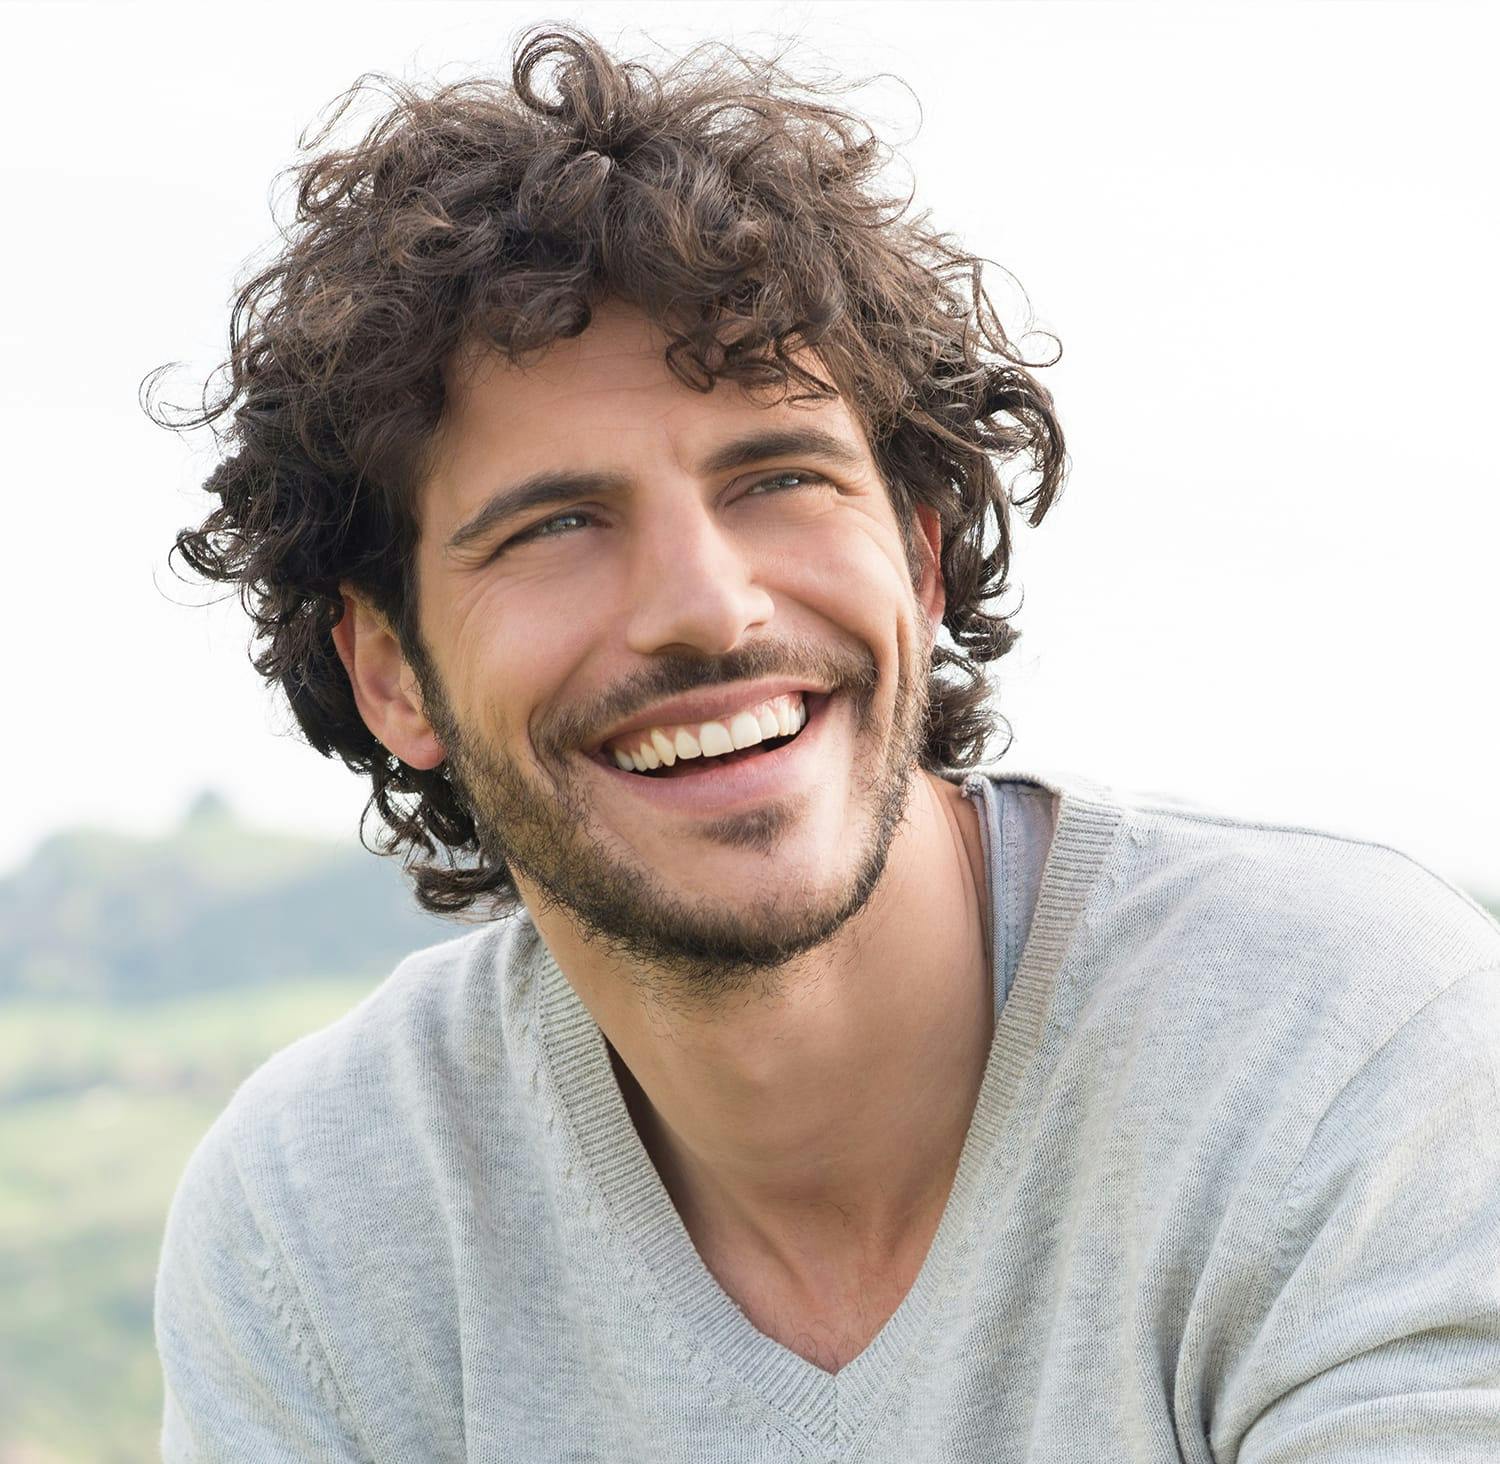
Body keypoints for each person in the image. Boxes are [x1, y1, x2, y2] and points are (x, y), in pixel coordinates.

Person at [151, 25, 1500, 1463]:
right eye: (557, 524)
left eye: (779, 479)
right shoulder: (324, 1224)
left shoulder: (1345, 1051)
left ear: (920, 559)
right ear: (389, 674)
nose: (706, 608)